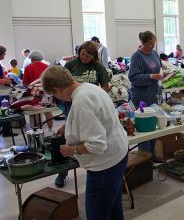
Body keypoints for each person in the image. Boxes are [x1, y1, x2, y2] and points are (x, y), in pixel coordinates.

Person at [41, 66, 128, 220]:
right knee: (114, 209)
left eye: (55, 95)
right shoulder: (90, 88)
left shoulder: (81, 101)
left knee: (97, 215)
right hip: (118, 154)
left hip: (104, 165)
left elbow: (97, 146)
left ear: (57, 90)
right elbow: (96, 118)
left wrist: (71, 150)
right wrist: (69, 124)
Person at [55, 41, 111, 188]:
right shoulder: (71, 65)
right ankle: (63, 172)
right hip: (71, 106)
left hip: (92, 107)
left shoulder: (98, 67)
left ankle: (93, 166)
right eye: (82, 54)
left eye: (88, 56)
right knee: (69, 138)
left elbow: (105, 87)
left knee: (92, 137)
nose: (84, 57)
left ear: (94, 57)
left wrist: (97, 98)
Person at [128, 31, 162, 159]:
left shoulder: (154, 53)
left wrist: (166, 72)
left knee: (154, 125)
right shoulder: (137, 56)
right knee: (144, 129)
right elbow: (133, 77)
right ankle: (144, 158)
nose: (152, 47)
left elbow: (157, 67)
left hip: (153, 95)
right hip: (141, 97)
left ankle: (152, 154)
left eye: (154, 44)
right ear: (143, 43)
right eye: (150, 44)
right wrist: (151, 76)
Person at [22, 50, 54, 131]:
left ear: (31, 58)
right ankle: (50, 130)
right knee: (48, 111)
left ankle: (38, 132)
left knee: (35, 112)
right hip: (46, 92)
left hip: (34, 94)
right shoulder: (47, 66)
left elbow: (25, 83)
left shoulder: (28, 67)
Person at [0, 46, 15, 137]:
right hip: (1, 93)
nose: (5, 55)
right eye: (4, 53)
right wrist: (5, 81)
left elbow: (2, 77)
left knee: (4, 110)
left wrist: (8, 79)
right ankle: (6, 130)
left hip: (3, 92)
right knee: (4, 109)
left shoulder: (0, 65)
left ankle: (5, 129)